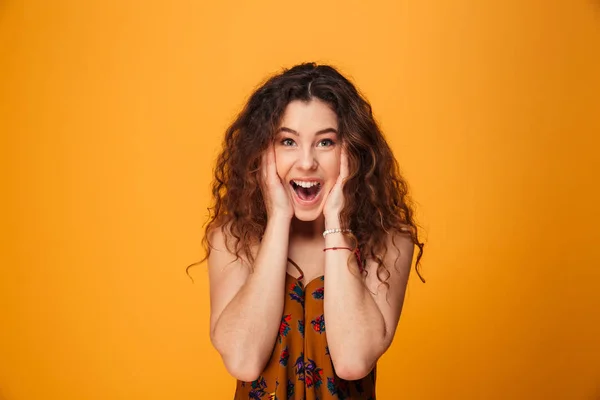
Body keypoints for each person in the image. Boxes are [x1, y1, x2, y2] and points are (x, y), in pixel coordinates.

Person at [197, 62, 425, 399]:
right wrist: (278, 219)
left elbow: (352, 360)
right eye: (287, 141)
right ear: (263, 151)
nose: (306, 162)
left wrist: (337, 221)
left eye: (325, 143)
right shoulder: (232, 238)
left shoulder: (389, 240)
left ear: (353, 151)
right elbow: (243, 360)